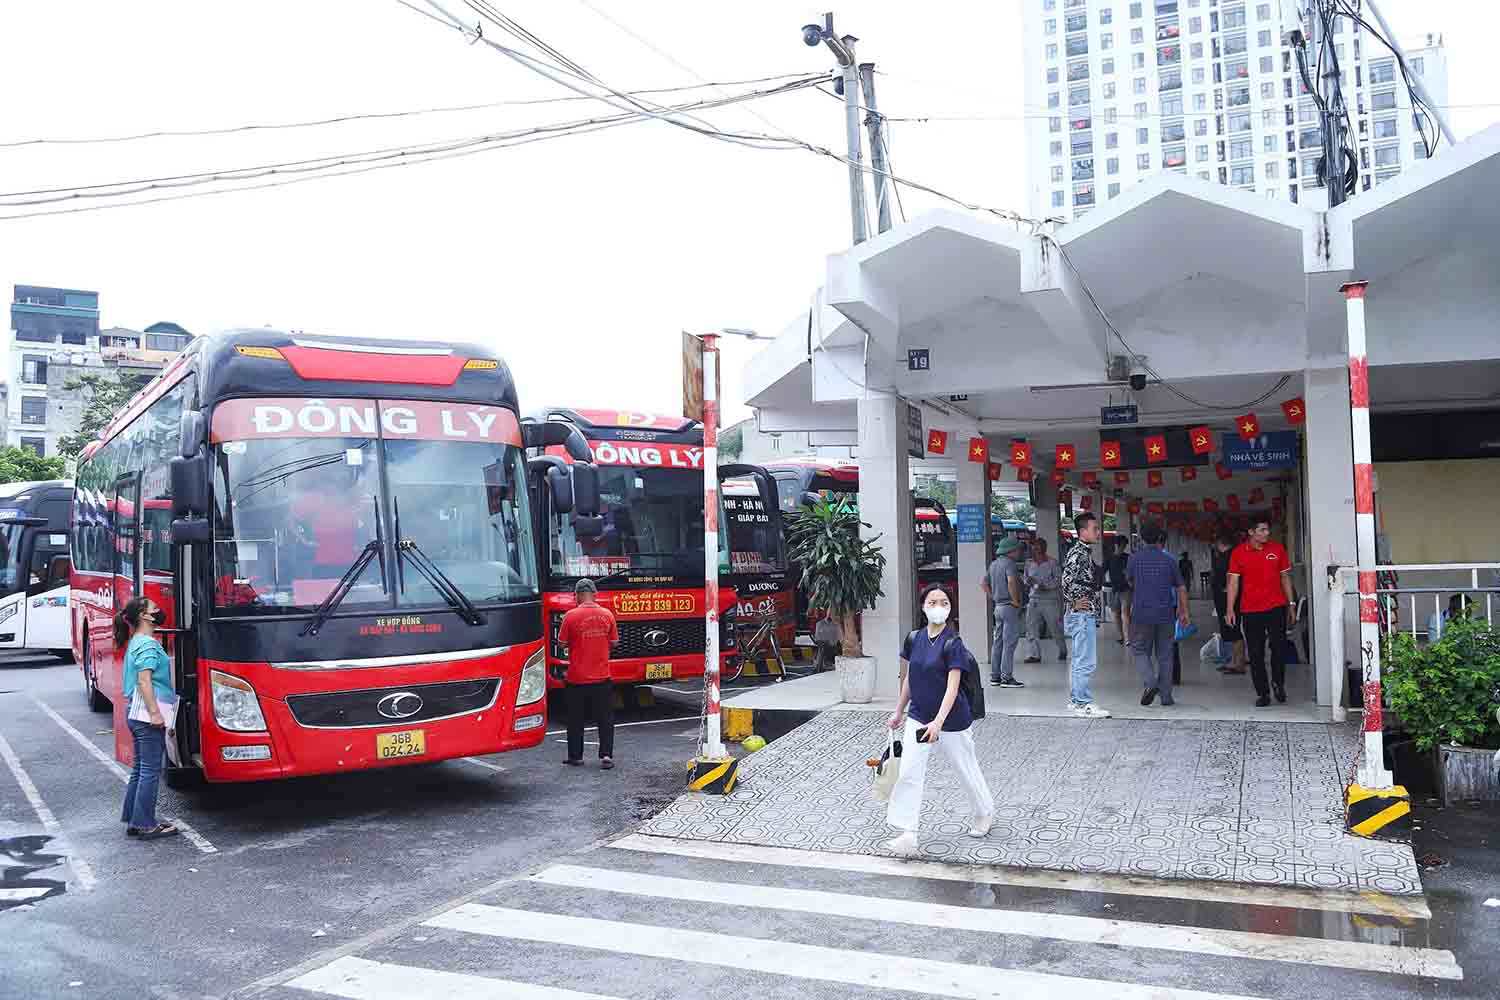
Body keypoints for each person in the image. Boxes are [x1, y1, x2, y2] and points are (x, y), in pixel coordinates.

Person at [883, 583, 994, 856]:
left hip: (952, 720)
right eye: (932, 602)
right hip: (919, 716)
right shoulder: (914, 639)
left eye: (944, 602)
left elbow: (952, 688)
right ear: (923, 607)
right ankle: (908, 832)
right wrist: (899, 711)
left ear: (950, 608)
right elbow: (910, 678)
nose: (938, 607)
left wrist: (938, 723)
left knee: (965, 768)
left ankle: (984, 812)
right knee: (909, 771)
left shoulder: (953, 643)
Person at [117, 597, 178, 841]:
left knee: (141, 768)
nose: (159, 611)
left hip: (136, 712)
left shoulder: (136, 641)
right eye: (154, 609)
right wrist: (155, 713)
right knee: (150, 771)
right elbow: (144, 681)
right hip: (146, 715)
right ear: (144, 615)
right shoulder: (148, 645)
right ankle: (145, 824)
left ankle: (134, 820)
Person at [1225, 518, 1297, 707]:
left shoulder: (1277, 549)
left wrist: (1291, 604)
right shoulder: (1238, 553)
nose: (1267, 533)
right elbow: (1233, 582)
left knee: (1279, 648)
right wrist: (1230, 608)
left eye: (1267, 530)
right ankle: (1263, 693)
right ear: (1251, 532)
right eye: (1262, 530)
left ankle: (1278, 683)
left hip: (1276, 607)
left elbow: (1285, 577)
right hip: (1250, 610)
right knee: (1255, 653)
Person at [557, 578, 619, 768]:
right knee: (605, 718)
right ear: (595, 594)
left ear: (577, 595)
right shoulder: (607, 614)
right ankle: (606, 756)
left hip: (577, 677)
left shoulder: (570, 616)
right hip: (602, 676)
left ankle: (576, 756)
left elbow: (561, 643)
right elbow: (614, 642)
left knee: (575, 719)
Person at [1127, 522, 1191, 707]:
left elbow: (1130, 581)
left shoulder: (1134, 559)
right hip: (1165, 613)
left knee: (1139, 649)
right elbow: (1181, 587)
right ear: (1159, 538)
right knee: (1165, 655)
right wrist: (1184, 612)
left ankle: (1151, 683)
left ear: (1141, 538)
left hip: (1141, 613)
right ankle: (1166, 697)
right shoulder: (1169, 560)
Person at [1062, 512, 1111, 719]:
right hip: (1082, 614)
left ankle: (1077, 700)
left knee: (1079, 659)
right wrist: (1073, 601)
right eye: (1095, 529)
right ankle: (1083, 702)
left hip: (1082, 613)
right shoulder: (1079, 554)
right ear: (1082, 532)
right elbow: (1065, 580)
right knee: (1086, 660)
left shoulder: (1082, 552)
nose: (1098, 532)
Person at [982, 536, 1026, 688]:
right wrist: (1015, 600)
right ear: (1011, 551)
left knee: (998, 642)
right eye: (1017, 549)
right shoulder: (1010, 564)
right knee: (1009, 643)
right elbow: (1011, 581)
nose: (1019, 552)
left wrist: (993, 597)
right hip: (1009, 607)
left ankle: (995, 676)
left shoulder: (993, 564)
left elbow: (984, 583)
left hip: (998, 607)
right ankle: (1007, 677)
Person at [1022, 538, 1067, 663]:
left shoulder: (1052, 563)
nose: (1036, 549)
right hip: (1034, 599)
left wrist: (1046, 586)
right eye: (1034, 546)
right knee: (1031, 628)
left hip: (1050, 600)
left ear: (1044, 548)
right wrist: (1028, 582)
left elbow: (1059, 580)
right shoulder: (1029, 563)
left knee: (1055, 627)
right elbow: (1025, 578)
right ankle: (1034, 654)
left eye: (1038, 546)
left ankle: (1062, 649)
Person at [1210, 531, 1246, 674]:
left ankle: (1239, 663)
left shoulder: (1230, 557)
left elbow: (1231, 578)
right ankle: (1234, 661)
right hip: (1225, 598)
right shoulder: (1227, 555)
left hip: (1228, 599)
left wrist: (1226, 593)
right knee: (1230, 630)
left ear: (1220, 543)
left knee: (1234, 630)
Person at [1105, 539, 1132, 645]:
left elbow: (1132, 571)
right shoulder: (1109, 558)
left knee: (1125, 613)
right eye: (1122, 545)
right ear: (1116, 545)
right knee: (1116, 613)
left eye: (1124, 546)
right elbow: (1102, 570)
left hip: (1126, 589)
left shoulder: (1128, 558)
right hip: (1114, 589)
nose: (1123, 548)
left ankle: (1127, 638)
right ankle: (1121, 636)